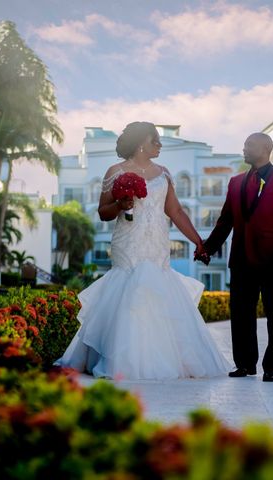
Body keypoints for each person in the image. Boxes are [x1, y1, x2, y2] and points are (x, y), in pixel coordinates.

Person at [56, 121, 232, 379]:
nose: (159, 145)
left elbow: (176, 211)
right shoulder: (114, 171)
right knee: (126, 288)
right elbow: (103, 211)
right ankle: (121, 360)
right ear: (141, 144)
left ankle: (166, 359)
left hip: (157, 241)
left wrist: (198, 241)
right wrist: (120, 204)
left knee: (159, 288)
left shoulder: (164, 173)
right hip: (128, 241)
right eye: (155, 141)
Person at [202, 133, 273, 382]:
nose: (244, 149)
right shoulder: (235, 183)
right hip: (241, 259)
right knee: (241, 315)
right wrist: (207, 248)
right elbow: (225, 222)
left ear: (266, 148)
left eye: (250, 145)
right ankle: (245, 364)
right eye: (244, 144)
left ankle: (272, 368)